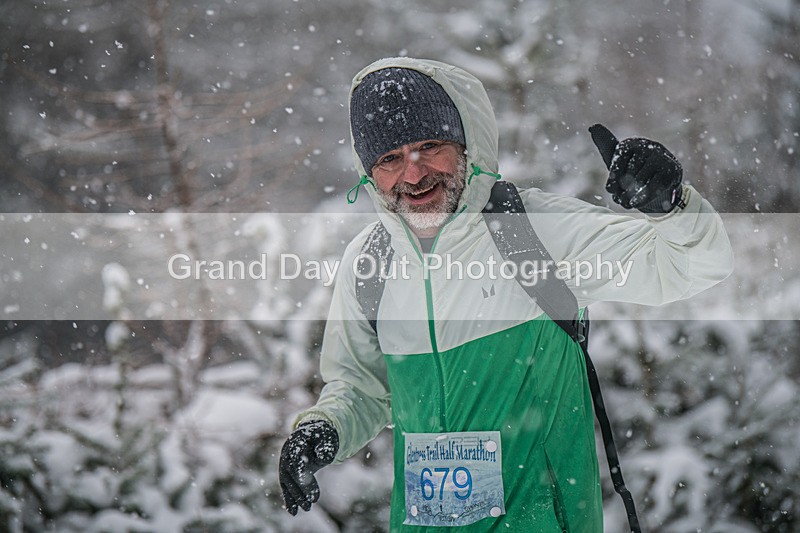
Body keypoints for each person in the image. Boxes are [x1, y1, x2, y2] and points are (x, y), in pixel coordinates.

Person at [278, 57, 733, 531]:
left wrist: (672, 205)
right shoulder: (370, 262)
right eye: (390, 158)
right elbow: (362, 387)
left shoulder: (532, 231)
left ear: (466, 145)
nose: (412, 176)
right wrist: (323, 428)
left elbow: (693, 265)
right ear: (369, 171)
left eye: (429, 147)